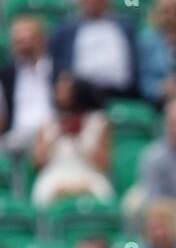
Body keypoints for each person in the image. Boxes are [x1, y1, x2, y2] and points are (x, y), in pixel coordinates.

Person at [31, 74, 114, 207]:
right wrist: (57, 135)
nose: (60, 94)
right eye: (58, 90)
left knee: (103, 193)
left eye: (65, 90)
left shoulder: (98, 122)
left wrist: (81, 137)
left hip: (89, 173)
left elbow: (105, 165)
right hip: (55, 174)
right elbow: (37, 164)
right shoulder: (48, 122)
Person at [50, 0, 137, 102]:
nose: (93, 4)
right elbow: (59, 63)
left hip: (120, 93)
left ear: (107, 0)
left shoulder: (125, 26)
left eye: (98, 0)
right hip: (81, 95)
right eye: (89, 0)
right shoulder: (67, 29)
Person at [0, 17, 55, 153]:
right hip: (16, 138)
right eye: (17, 40)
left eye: (27, 38)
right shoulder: (6, 75)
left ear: (41, 40)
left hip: (53, 135)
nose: (21, 43)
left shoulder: (56, 71)